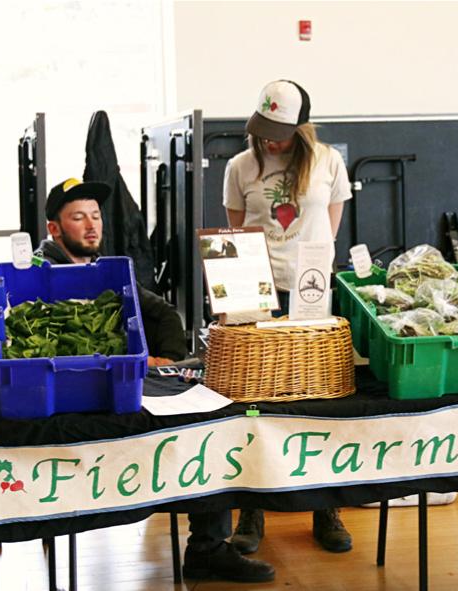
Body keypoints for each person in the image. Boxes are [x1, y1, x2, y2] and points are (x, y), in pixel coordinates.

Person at [38, 177, 275, 583]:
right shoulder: (39, 274)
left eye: (95, 216)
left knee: (208, 426)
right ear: (55, 229)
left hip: (128, 388)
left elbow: (164, 313)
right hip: (70, 400)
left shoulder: (105, 268)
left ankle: (207, 549)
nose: (92, 225)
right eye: (78, 218)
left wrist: (166, 361)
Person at [223, 80, 354, 555]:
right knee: (256, 404)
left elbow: (330, 227)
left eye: (278, 132)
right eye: (263, 130)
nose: (270, 140)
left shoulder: (327, 162)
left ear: (300, 128)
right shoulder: (240, 167)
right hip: (259, 295)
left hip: (313, 293)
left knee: (319, 402)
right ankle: (252, 512)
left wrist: (310, 270)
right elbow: (235, 235)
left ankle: (326, 508)